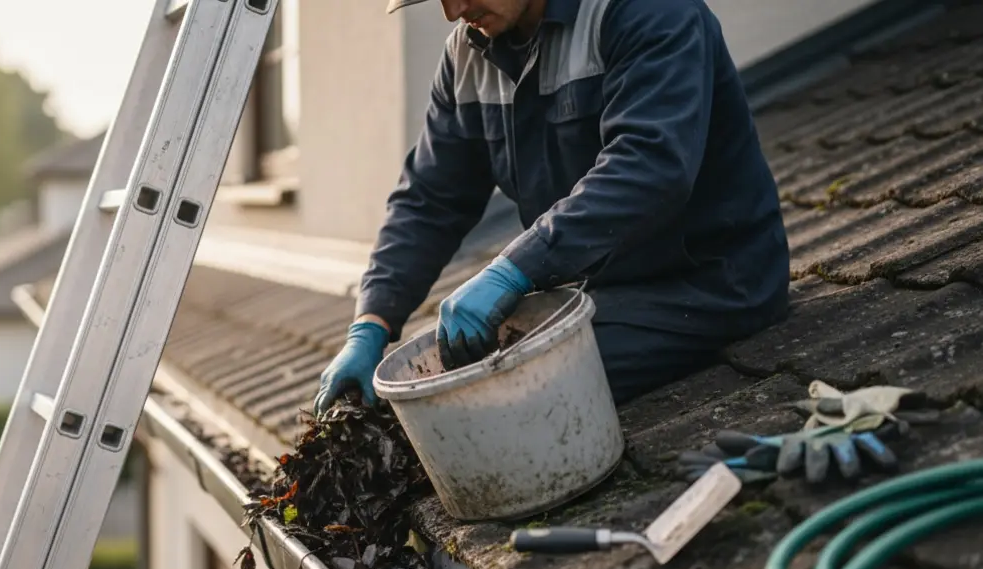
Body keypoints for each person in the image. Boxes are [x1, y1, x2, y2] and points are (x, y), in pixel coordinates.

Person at [313, 0, 790, 416]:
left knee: (492, 397)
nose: (453, 10)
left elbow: (649, 166)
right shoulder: (468, 53)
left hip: (711, 284)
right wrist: (370, 324)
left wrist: (514, 270)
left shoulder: (646, 10)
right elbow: (429, 200)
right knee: (447, 387)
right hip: (601, 288)